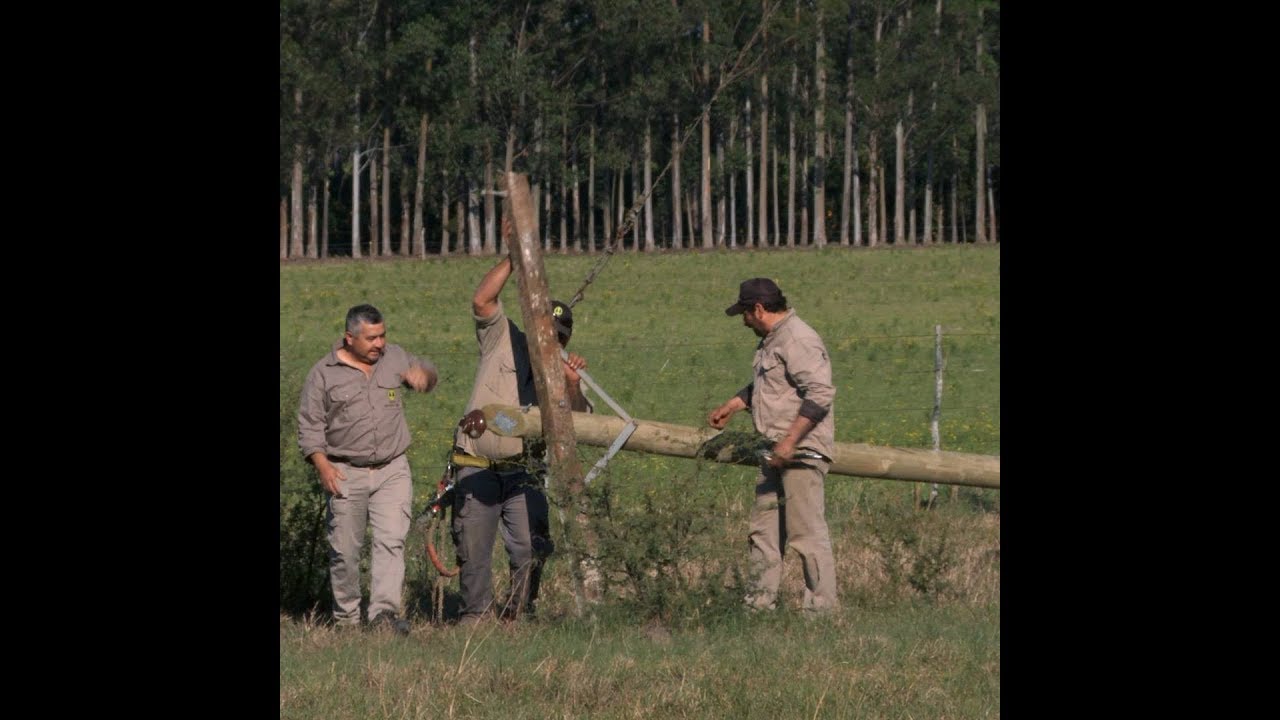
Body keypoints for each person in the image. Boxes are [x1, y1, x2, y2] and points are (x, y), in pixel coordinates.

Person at [451, 244, 592, 626]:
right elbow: (482, 300)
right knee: (473, 549)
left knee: (531, 547)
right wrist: (515, 258)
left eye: (559, 338)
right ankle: (476, 618)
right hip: (477, 466)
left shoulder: (566, 374)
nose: (551, 343)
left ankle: (518, 615)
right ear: (533, 329)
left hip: (524, 472)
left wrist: (572, 385)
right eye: (546, 334)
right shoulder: (502, 338)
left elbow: (580, 425)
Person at [297, 304, 438, 635]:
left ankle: (383, 616)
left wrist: (424, 377)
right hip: (345, 471)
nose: (379, 344)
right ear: (349, 338)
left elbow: (425, 372)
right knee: (345, 551)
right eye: (371, 338)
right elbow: (309, 426)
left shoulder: (394, 357)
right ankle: (346, 620)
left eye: (382, 335)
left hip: (392, 468)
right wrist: (322, 465)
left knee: (391, 541)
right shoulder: (323, 374)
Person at [707, 278, 840, 613]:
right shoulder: (774, 340)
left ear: (759, 309)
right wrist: (733, 405)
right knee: (763, 534)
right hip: (774, 451)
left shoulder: (798, 338)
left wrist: (790, 441)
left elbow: (820, 392)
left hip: (800, 453)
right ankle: (758, 608)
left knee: (806, 536)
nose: (743, 321)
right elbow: (772, 385)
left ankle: (821, 613)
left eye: (745, 313)